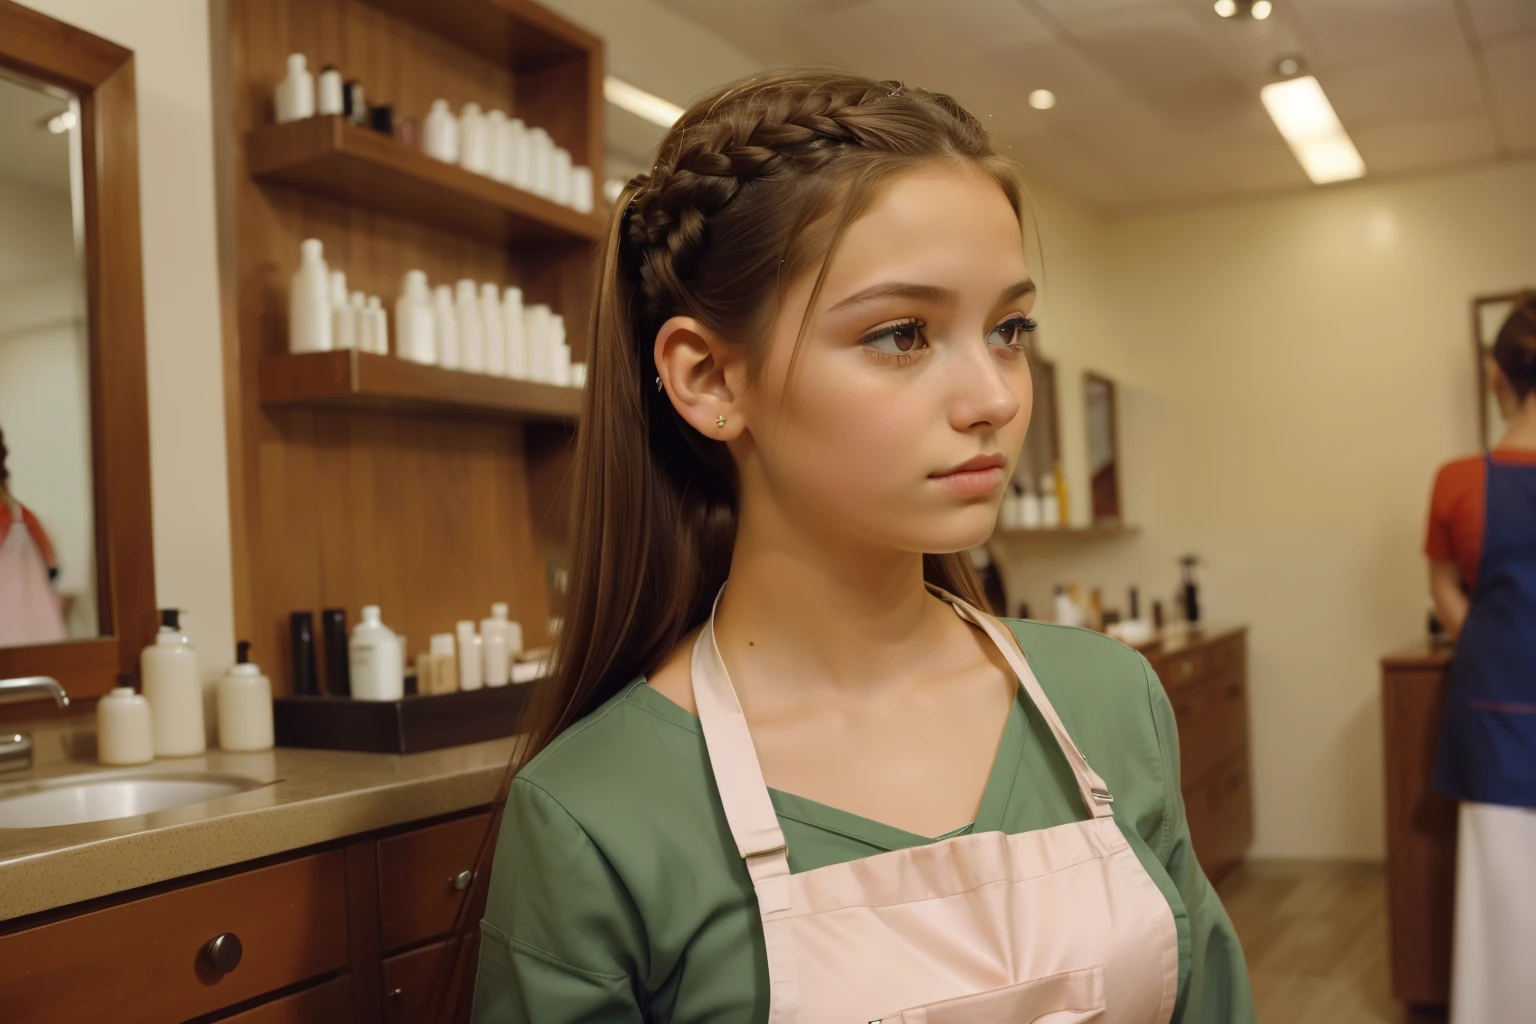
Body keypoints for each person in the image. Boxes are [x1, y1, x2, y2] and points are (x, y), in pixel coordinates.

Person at [473, 70, 1254, 1023]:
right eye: (901, 334)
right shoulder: (594, 814)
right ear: (710, 377)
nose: (997, 399)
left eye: (1009, 329)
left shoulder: (1110, 701)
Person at [1427, 293, 1536, 1023]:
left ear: (1498, 376)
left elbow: (1445, 595)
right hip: (1497, 709)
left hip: (1496, 705)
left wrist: (1497, 642)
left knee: (1504, 898)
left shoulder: (1459, 479)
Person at [0, 421, 67, 647]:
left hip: (28, 630)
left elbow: (51, 565)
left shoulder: (23, 517)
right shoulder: (24, 516)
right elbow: (51, 565)